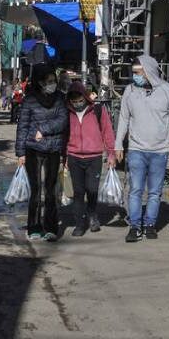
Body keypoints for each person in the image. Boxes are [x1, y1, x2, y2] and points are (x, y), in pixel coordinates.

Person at [114, 55, 169, 242]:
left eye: (138, 73)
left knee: (155, 191)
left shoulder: (167, 91)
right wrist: (118, 144)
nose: (135, 76)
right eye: (134, 73)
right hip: (136, 150)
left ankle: (150, 224)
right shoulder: (130, 91)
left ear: (148, 71)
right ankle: (135, 226)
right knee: (135, 189)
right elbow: (123, 118)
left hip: (159, 151)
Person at [15, 67, 68, 241]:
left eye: (54, 80)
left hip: (53, 149)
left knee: (51, 190)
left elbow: (63, 121)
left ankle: (51, 227)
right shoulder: (29, 100)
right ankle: (34, 227)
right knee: (36, 190)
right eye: (49, 81)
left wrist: (43, 130)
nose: (52, 84)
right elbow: (22, 126)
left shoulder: (60, 98)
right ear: (40, 82)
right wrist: (20, 152)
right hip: (33, 149)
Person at [65, 80, 116, 236]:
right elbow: (63, 136)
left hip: (94, 157)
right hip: (74, 157)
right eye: (74, 101)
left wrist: (111, 154)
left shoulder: (98, 110)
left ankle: (92, 215)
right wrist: (63, 158)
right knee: (78, 192)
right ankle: (80, 224)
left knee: (92, 190)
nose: (77, 104)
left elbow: (107, 132)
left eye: (80, 100)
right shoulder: (67, 112)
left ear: (85, 97)